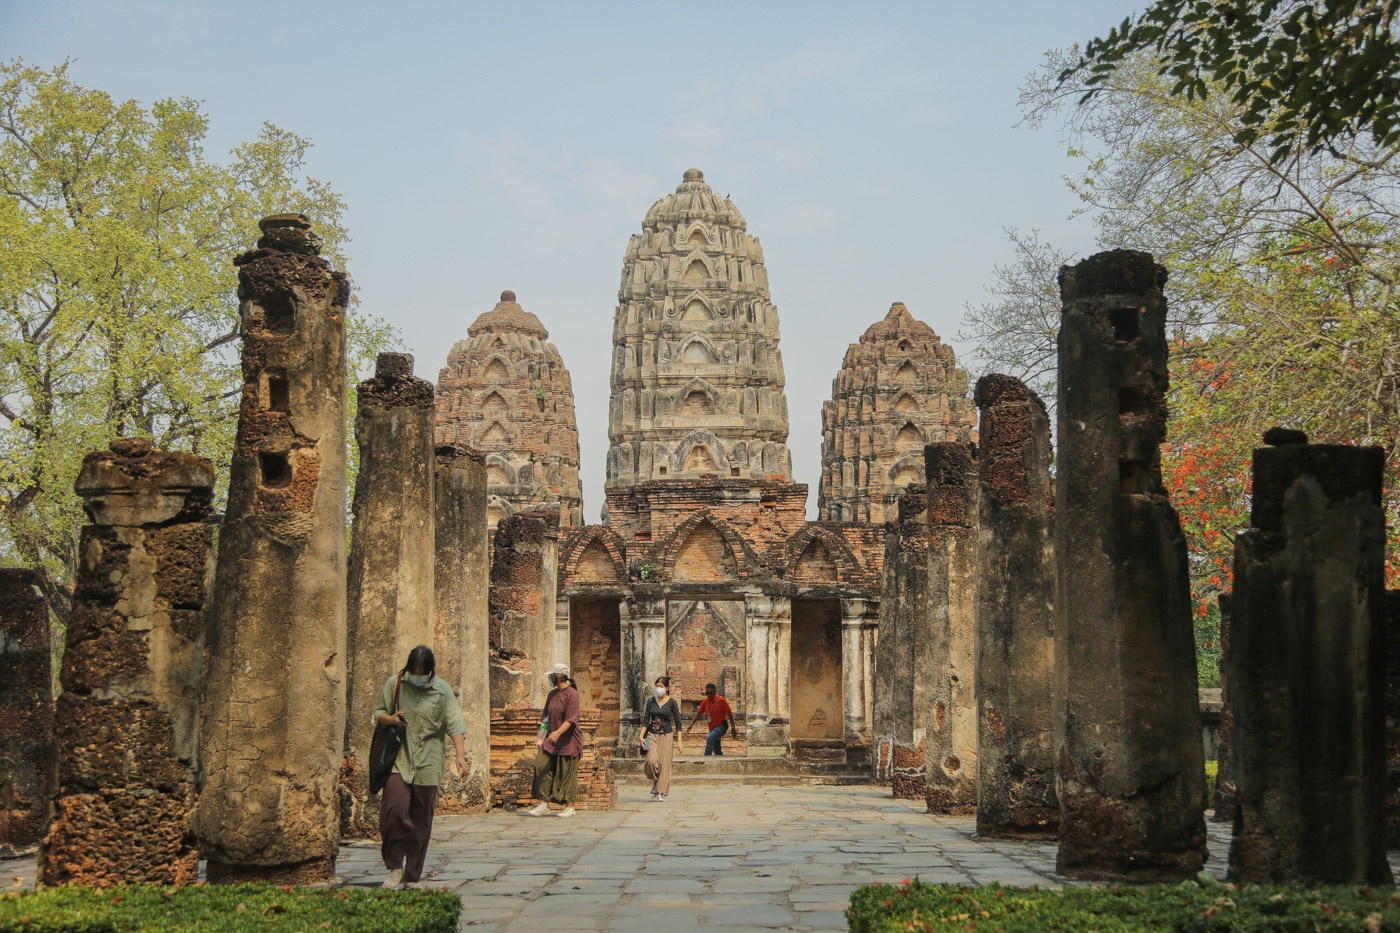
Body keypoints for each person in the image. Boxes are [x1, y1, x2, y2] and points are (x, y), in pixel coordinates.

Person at [374, 645, 468, 890]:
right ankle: (395, 867)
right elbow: (379, 713)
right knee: (394, 810)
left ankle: (413, 875)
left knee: (420, 819)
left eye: (421, 672)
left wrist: (460, 756)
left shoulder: (442, 690)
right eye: (413, 671)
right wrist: (391, 719)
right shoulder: (394, 684)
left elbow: (455, 724)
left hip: (429, 760)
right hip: (399, 758)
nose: (417, 675)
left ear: (429, 672)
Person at [526, 663, 580, 818]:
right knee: (541, 765)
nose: (550, 678)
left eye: (551, 676)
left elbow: (571, 719)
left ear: (560, 676)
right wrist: (540, 737)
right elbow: (545, 718)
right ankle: (543, 803)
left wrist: (558, 733)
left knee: (566, 772)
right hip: (550, 739)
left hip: (568, 739)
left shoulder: (572, 694)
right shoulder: (552, 694)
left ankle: (570, 806)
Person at [643, 675, 683, 801]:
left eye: (660, 687)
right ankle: (655, 782)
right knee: (651, 761)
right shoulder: (650, 701)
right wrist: (640, 735)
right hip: (651, 734)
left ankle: (659, 791)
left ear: (666, 688)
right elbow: (646, 719)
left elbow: (678, 722)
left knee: (664, 764)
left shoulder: (672, 703)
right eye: (656, 687)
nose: (658, 689)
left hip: (667, 735)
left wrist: (680, 742)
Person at [687, 682, 737, 756]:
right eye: (707, 693)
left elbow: (729, 713)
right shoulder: (705, 701)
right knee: (716, 748)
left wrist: (733, 727)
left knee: (710, 739)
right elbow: (699, 713)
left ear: (715, 692)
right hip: (712, 727)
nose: (709, 695)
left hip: (721, 726)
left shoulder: (721, 700)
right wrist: (691, 724)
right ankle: (720, 762)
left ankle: (706, 758)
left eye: (711, 693)